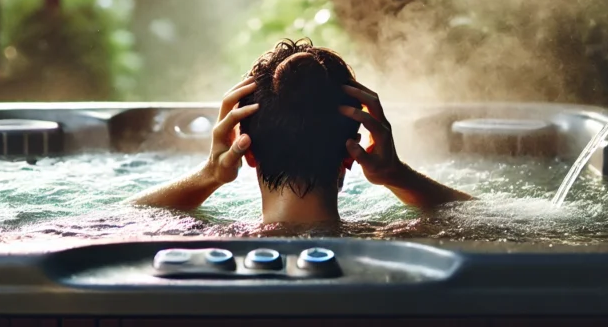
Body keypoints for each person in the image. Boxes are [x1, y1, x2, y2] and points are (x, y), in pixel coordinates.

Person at [130, 39, 472, 224]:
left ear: (247, 152)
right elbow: (495, 218)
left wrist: (210, 174)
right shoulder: (395, 237)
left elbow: (125, 218)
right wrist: (397, 174)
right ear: (351, 155)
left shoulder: (214, 242)